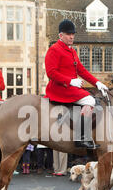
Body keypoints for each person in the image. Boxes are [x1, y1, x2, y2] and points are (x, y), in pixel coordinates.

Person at [44, 19, 109, 149]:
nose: (72, 36)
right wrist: (70, 81)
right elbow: (50, 72)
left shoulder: (72, 51)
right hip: (59, 88)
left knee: (94, 97)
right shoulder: (54, 49)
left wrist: (97, 83)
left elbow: (81, 70)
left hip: (70, 88)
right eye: (68, 34)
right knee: (90, 100)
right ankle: (81, 138)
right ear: (60, 35)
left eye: (73, 34)